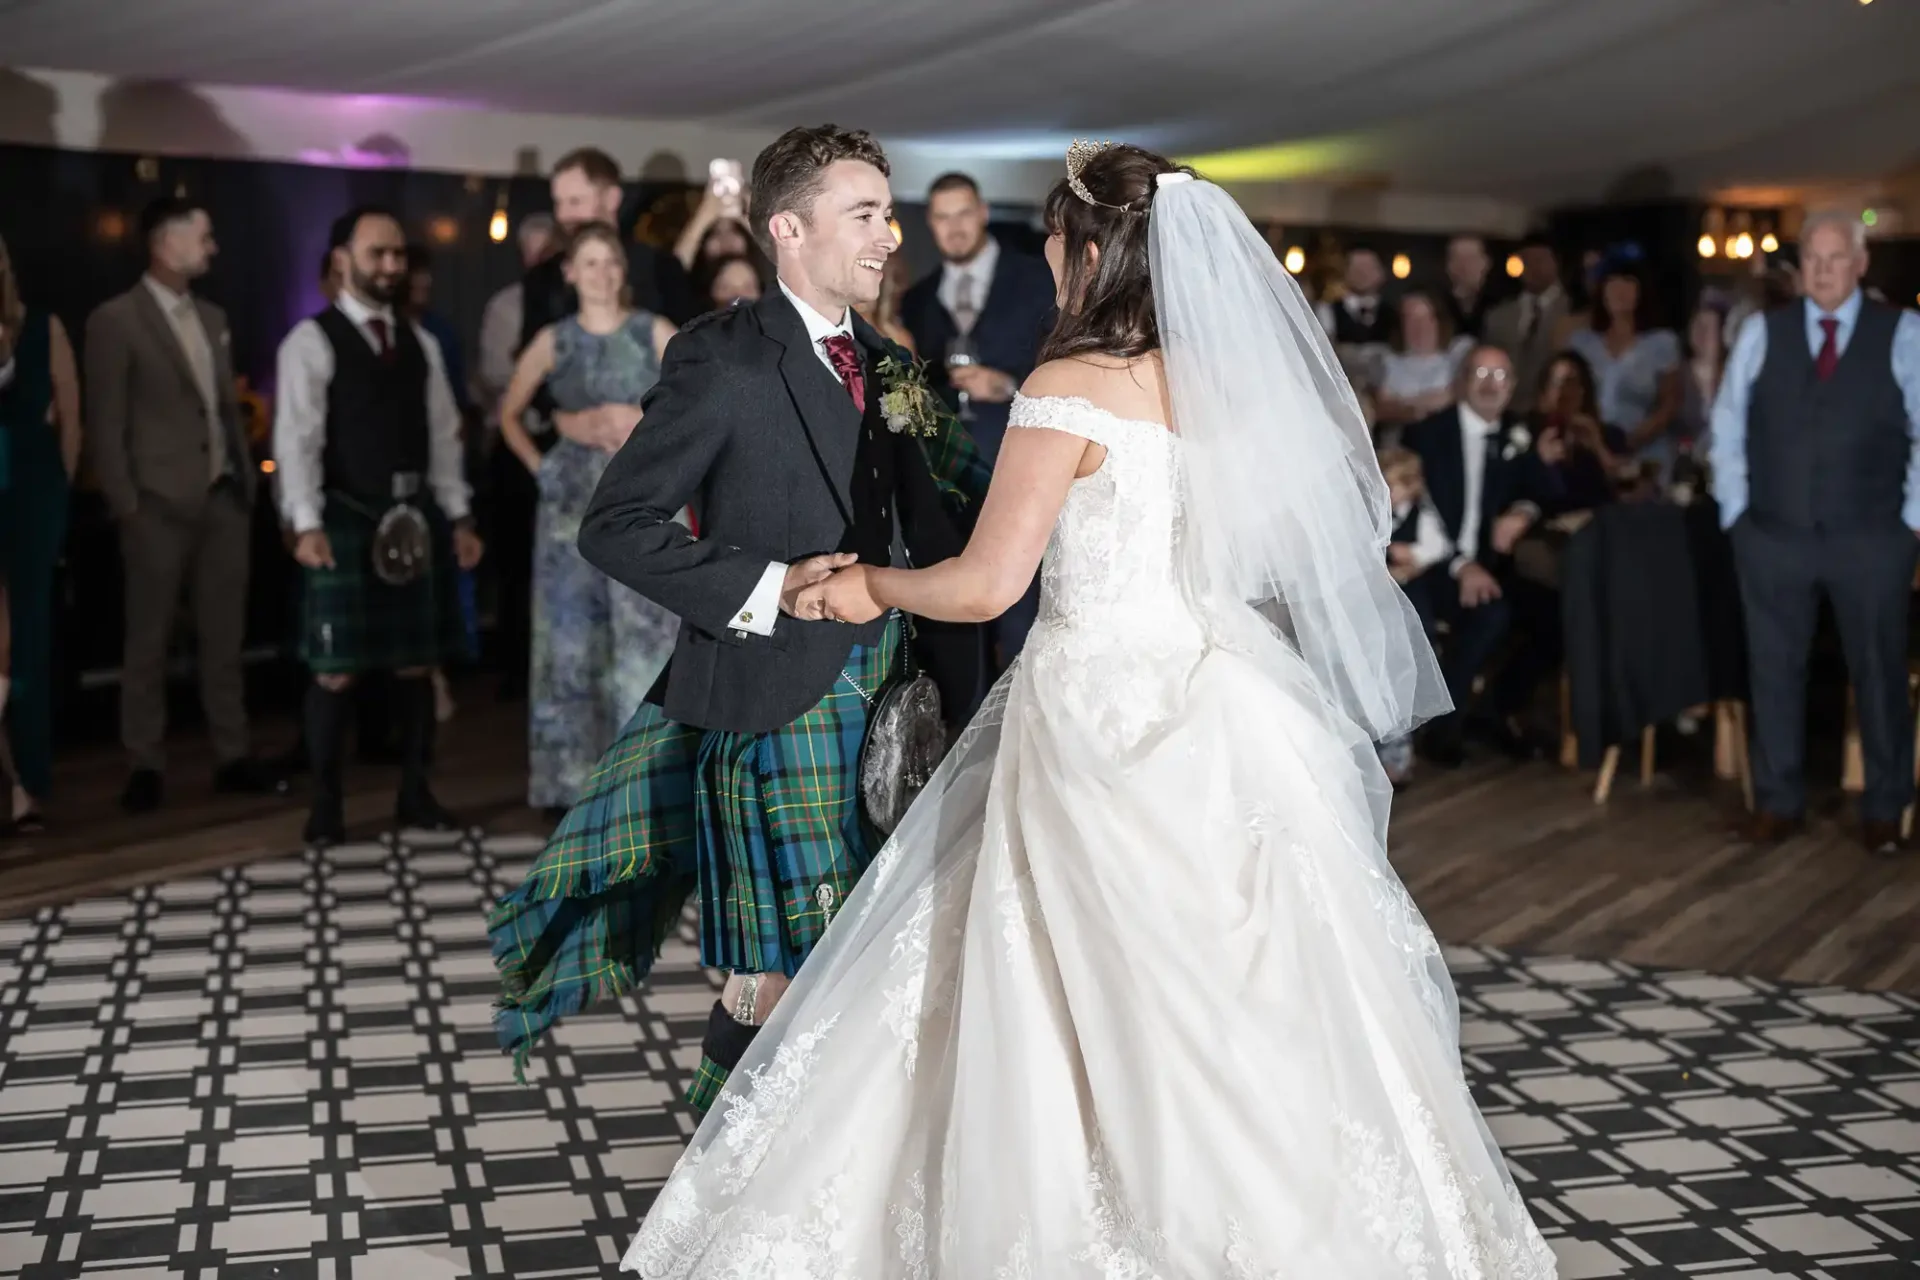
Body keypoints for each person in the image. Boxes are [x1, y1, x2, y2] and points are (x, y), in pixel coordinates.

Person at [616, 143, 1555, 1277]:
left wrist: (867, 582)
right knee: (1250, 999)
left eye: (1053, 237)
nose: (1044, 254)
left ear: (1094, 249)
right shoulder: (1209, 383)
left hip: (1091, 713)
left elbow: (987, 583)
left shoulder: (1067, 386)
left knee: (1045, 987)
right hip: (1217, 702)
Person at [488, 126, 993, 1117]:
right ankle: (715, 1206)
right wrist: (769, 585)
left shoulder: (887, 358)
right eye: (866, 215)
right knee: (774, 978)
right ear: (789, 229)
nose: (891, 235)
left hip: (896, 700)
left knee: (868, 957)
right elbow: (616, 524)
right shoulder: (721, 359)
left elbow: (956, 499)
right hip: (773, 703)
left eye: (889, 214)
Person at [1710, 211, 1920, 859]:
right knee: (1774, 671)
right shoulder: (1761, 333)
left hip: (1873, 538)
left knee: (1878, 673)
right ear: (1799, 269)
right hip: (1773, 535)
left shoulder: (1904, 332)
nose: (1824, 270)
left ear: (1860, 265)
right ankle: (1778, 801)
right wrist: (1737, 515)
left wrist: (1910, 525)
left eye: (1836, 258)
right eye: (1813, 259)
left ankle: (1885, 807)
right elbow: (1728, 425)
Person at [272, 205, 484, 845]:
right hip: (344, 515)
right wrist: (304, 521)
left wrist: (459, 514)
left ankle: (416, 794)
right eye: (377, 254)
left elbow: (444, 439)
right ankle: (326, 806)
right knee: (334, 670)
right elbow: (297, 438)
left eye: (398, 255)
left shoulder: (418, 342)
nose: (391, 266)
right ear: (342, 260)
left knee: (417, 664)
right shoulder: (309, 341)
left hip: (414, 518)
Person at [84, 196, 283, 812]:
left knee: (225, 639)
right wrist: (127, 505)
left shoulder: (214, 316)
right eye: (203, 236)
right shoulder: (115, 320)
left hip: (223, 498)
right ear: (165, 242)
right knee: (147, 642)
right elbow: (106, 422)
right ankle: (144, 763)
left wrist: (246, 484)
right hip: (157, 506)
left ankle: (232, 754)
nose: (213, 247)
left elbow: (222, 408)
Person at [498, 222, 680, 812]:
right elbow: (508, 414)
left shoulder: (652, 331)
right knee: (570, 642)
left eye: (611, 262)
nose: (602, 274)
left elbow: (701, 400)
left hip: (642, 501)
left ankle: (647, 781)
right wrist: (545, 463)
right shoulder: (554, 340)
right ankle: (570, 788)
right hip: (569, 512)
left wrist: (644, 421)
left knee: (646, 639)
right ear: (570, 272)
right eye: (590, 263)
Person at [0, 229, 79, 832]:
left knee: (27, 636)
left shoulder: (42, 327)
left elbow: (71, 419)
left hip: (32, 490)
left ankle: (29, 779)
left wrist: (60, 490)